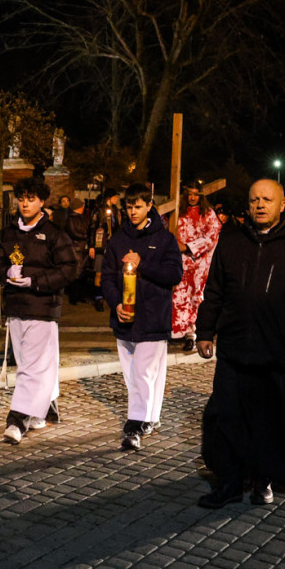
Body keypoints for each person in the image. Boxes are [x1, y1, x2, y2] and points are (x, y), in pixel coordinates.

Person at [195, 179, 285, 508]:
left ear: (282, 204)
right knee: (228, 420)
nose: (260, 204)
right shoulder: (230, 241)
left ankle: (263, 481)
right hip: (233, 350)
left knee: (268, 423)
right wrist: (205, 332)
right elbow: (214, 290)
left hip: (275, 351)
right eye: (254, 199)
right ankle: (228, 483)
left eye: (267, 199)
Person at [0, 177, 78, 445]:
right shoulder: (7, 233)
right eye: (21, 198)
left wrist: (36, 281)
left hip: (43, 307)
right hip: (16, 306)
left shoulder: (54, 234)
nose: (25, 203)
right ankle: (45, 409)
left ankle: (17, 420)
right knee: (29, 364)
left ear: (41, 202)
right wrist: (5, 272)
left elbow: (69, 269)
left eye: (31, 198)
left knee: (32, 368)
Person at [100, 183, 182, 451]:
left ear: (149, 205)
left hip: (153, 317)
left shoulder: (165, 238)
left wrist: (142, 264)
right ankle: (150, 418)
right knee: (136, 375)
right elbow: (108, 278)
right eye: (129, 207)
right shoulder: (117, 240)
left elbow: (174, 275)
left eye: (138, 206)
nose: (133, 211)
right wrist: (115, 305)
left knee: (143, 374)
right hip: (125, 319)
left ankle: (135, 425)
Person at [170, 180, 221, 351]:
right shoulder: (177, 212)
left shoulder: (208, 213)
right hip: (179, 262)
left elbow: (212, 236)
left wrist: (188, 247)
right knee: (178, 297)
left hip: (199, 264)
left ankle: (193, 333)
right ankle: (177, 332)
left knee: (196, 298)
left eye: (195, 194)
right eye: (189, 194)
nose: (192, 198)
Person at [88, 189, 123, 311]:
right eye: (115, 197)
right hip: (100, 244)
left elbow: (118, 227)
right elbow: (92, 227)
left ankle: (109, 295)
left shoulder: (116, 211)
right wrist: (92, 245)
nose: (117, 199)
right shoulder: (99, 211)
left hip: (112, 244)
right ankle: (98, 298)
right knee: (99, 271)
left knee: (112, 271)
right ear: (110, 197)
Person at [64, 197, 91, 305]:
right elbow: (73, 233)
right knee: (77, 273)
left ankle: (80, 295)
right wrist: (87, 236)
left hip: (82, 248)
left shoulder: (81, 218)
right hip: (76, 248)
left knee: (83, 273)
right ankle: (74, 297)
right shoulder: (71, 219)